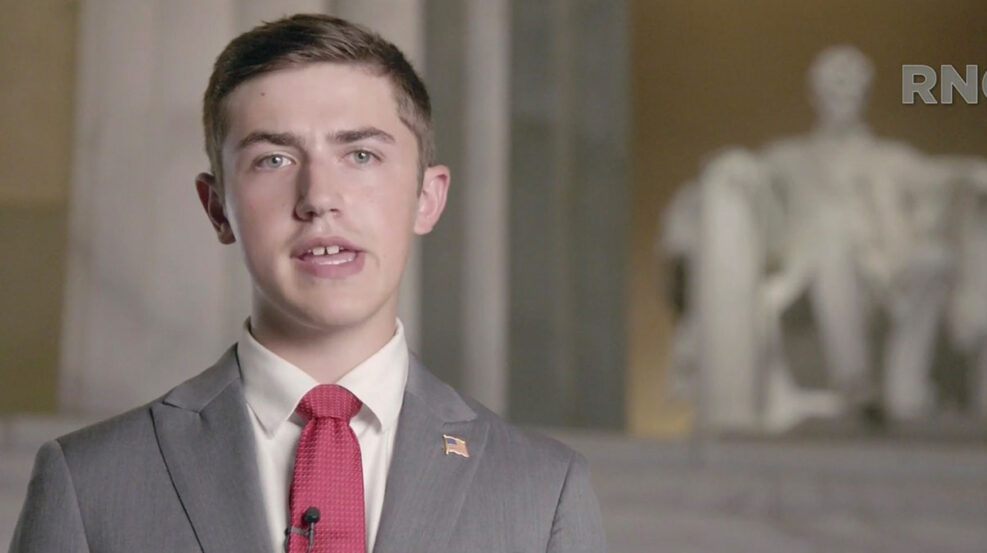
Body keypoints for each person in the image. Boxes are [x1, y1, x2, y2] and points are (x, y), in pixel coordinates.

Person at [10, 14, 606, 553]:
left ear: (427, 198)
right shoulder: (88, 482)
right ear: (217, 208)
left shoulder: (541, 491)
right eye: (273, 159)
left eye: (362, 155)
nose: (319, 197)